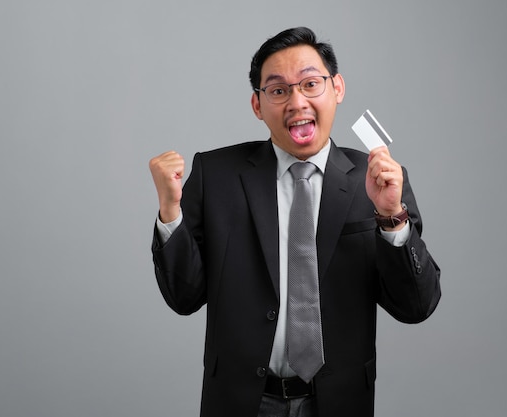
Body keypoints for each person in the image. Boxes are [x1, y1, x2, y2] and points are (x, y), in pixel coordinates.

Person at [149, 26, 441, 417]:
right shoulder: (216, 174)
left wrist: (391, 218)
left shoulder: (377, 179)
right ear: (257, 105)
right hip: (242, 402)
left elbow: (416, 306)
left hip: (338, 402)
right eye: (278, 90)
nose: (296, 101)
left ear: (337, 88)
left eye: (310, 84)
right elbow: (184, 298)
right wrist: (171, 210)